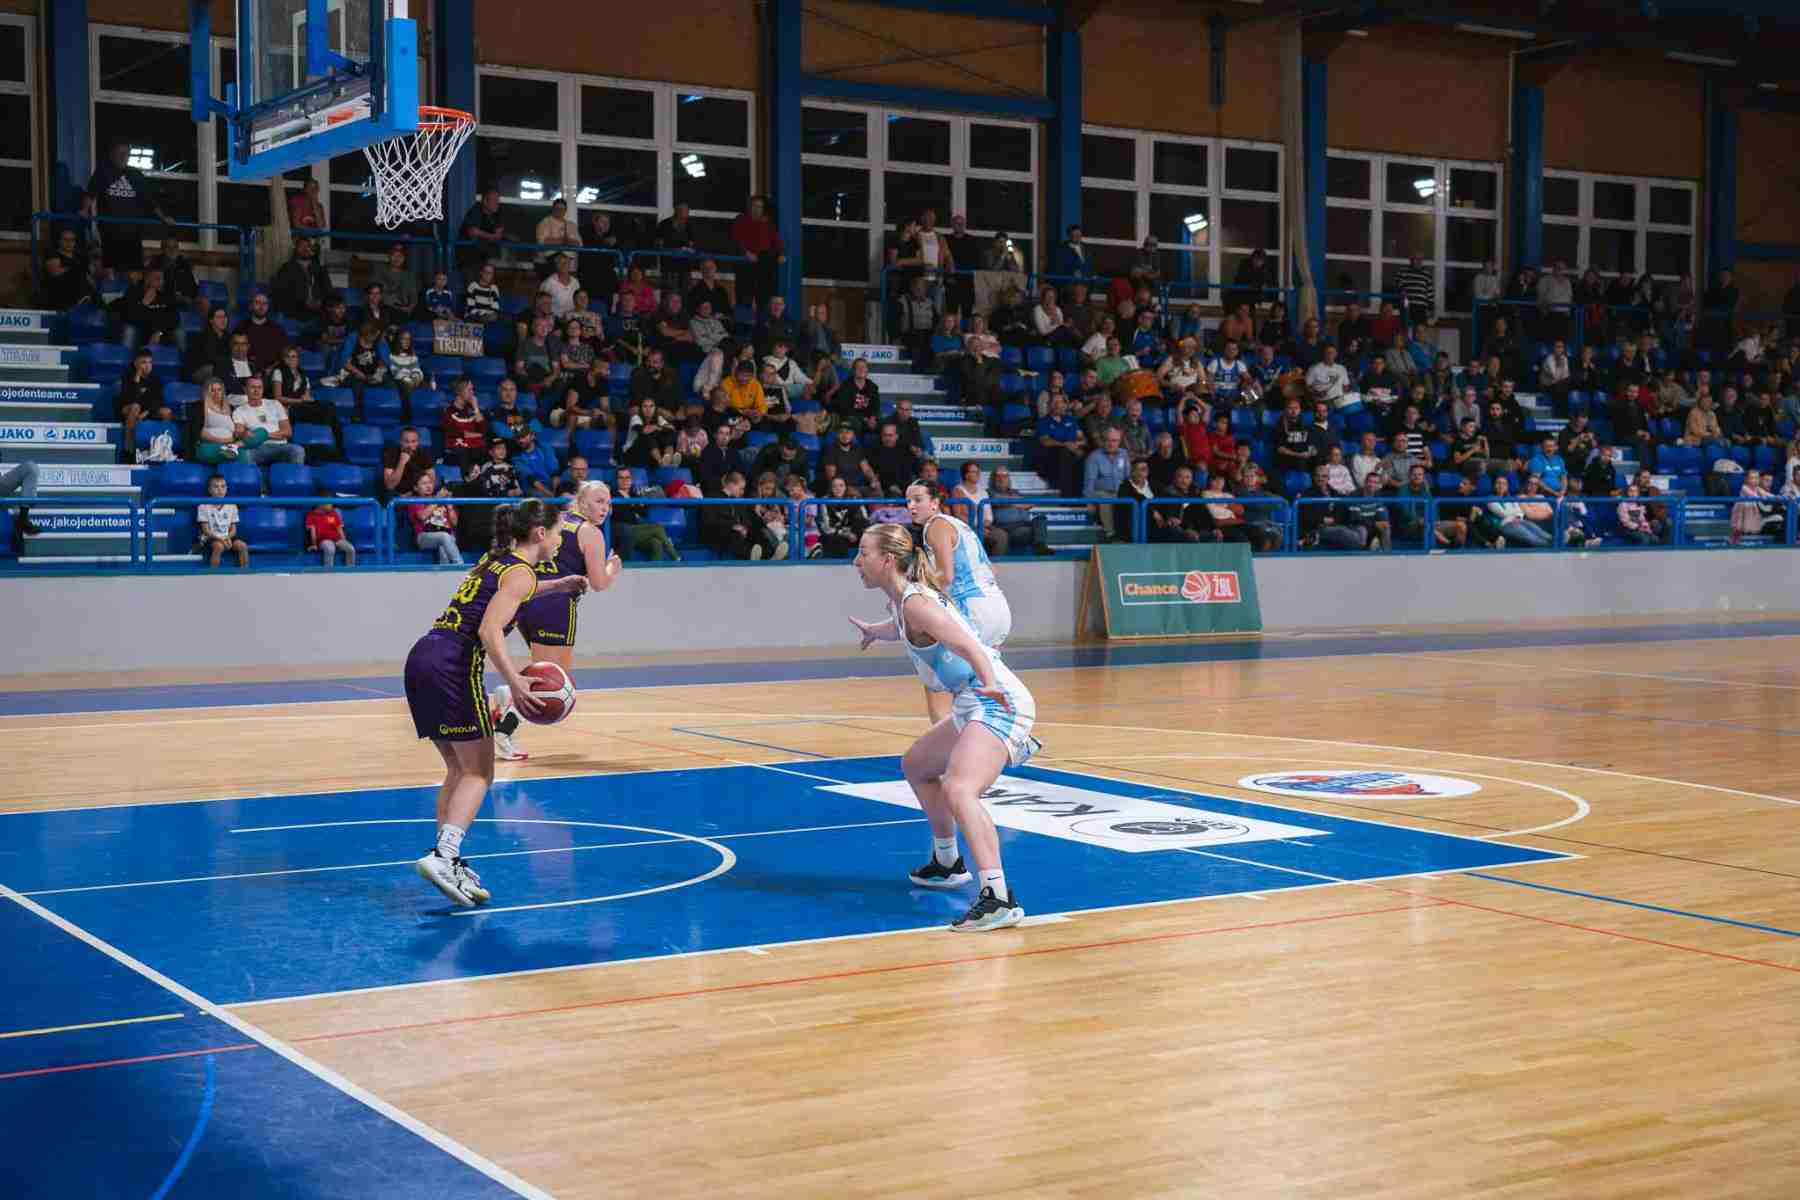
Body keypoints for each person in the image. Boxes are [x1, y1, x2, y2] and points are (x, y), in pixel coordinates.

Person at [847, 523, 1037, 932]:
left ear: (887, 560)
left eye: (863, 552)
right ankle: (947, 862)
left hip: (995, 699)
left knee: (959, 788)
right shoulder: (902, 601)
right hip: (973, 700)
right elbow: (905, 628)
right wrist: (875, 632)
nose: (856, 560)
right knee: (917, 765)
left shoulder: (915, 602)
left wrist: (989, 682)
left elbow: (967, 645)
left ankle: (998, 898)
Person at [403, 500, 589, 907]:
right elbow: (490, 631)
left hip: (423, 656)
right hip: (454, 664)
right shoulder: (521, 572)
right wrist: (515, 681)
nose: (561, 541)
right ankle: (444, 856)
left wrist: (558, 585)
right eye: (559, 533)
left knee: (458, 770)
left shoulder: (497, 561)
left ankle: (447, 858)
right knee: (480, 772)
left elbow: (513, 592)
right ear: (540, 533)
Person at [486, 481, 625, 761]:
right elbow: (598, 583)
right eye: (599, 501)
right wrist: (613, 567)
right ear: (582, 501)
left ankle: (507, 696)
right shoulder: (590, 532)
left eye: (608, 503)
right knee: (554, 683)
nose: (605, 508)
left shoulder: (556, 520)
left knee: (547, 676)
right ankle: (504, 729)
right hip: (555, 604)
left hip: (527, 597)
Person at [905, 480, 1013, 725]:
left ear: (935, 503)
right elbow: (992, 569)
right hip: (997, 608)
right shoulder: (959, 525)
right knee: (984, 682)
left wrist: (916, 592)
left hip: (972, 609)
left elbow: (946, 576)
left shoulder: (936, 526)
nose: (911, 506)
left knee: (935, 679)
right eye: (908, 501)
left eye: (918, 500)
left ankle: (947, 741)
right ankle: (1004, 734)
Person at [196, 474, 248, 568]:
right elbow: (206, 530)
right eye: (216, 487)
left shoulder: (232, 505)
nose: (220, 490)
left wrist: (227, 537)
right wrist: (221, 539)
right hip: (211, 537)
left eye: (223, 486)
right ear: (209, 490)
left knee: (242, 546)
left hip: (227, 536)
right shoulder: (203, 506)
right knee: (218, 546)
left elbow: (234, 530)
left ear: (227, 489)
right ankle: (213, 572)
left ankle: (244, 571)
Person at [305, 500, 357, 569]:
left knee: (350, 549)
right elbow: (313, 532)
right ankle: (328, 571)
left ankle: (350, 569)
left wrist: (344, 541)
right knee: (330, 549)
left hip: (337, 539)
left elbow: (339, 529)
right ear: (320, 504)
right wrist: (314, 544)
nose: (331, 505)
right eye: (329, 503)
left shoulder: (334, 513)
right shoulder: (311, 515)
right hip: (323, 540)